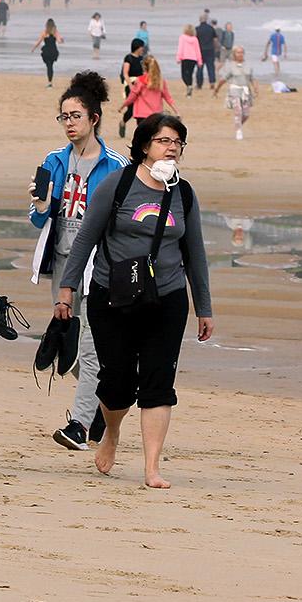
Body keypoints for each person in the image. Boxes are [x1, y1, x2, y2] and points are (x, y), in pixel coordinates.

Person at [54, 112, 213, 489]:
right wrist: (67, 287)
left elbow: (196, 255)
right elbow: (86, 238)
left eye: (177, 142)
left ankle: (152, 466)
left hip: (167, 298)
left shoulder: (184, 194)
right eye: (164, 141)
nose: (171, 148)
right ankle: (111, 432)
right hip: (113, 295)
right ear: (145, 145)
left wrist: (204, 308)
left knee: (159, 381)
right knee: (117, 381)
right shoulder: (118, 184)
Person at [30, 70, 125, 451]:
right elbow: (39, 217)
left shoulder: (115, 166)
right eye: (64, 117)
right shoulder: (54, 161)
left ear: (94, 119)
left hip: (100, 266)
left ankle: (79, 425)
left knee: (89, 346)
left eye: (76, 116)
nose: (69, 124)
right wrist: (39, 207)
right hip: (63, 264)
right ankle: (104, 407)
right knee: (68, 347)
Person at [125, 55, 180, 129]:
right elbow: (168, 98)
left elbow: (133, 96)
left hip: (141, 114)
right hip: (156, 115)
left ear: (144, 67)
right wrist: (177, 111)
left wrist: (123, 106)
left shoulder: (140, 80)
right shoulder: (160, 81)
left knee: (142, 137)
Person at [222, 46, 256, 139]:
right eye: (238, 52)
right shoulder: (230, 65)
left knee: (246, 114)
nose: (240, 54)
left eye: (241, 52)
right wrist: (216, 89)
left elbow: (252, 78)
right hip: (234, 91)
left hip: (245, 91)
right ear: (234, 54)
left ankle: (238, 125)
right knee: (238, 111)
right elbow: (224, 79)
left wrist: (255, 88)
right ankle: (238, 131)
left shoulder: (248, 65)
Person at [36, 18, 62, 86]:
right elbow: (59, 41)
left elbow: (39, 42)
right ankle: (50, 82)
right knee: (51, 66)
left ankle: (49, 82)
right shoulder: (55, 32)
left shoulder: (44, 32)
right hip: (53, 51)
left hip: (46, 51)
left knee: (49, 66)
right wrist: (62, 40)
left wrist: (33, 48)